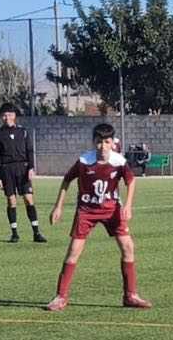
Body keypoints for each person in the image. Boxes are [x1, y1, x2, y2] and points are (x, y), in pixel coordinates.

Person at [45, 123, 151, 311]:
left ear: (113, 143)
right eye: (99, 142)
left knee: (128, 247)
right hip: (87, 211)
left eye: (107, 142)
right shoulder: (84, 161)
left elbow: (131, 181)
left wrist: (128, 205)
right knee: (74, 251)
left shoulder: (119, 162)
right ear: (94, 142)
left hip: (112, 210)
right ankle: (60, 297)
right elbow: (67, 180)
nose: (103, 146)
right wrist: (58, 207)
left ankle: (130, 295)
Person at [0, 103, 46, 244]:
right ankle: (14, 233)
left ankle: (36, 232)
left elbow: (30, 151)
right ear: (1, 117)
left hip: (23, 168)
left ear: (14, 116)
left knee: (28, 199)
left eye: (9, 114)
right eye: (4, 115)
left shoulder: (23, 132)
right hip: (6, 170)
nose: (7, 117)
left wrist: (31, 167)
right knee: (11, 200)